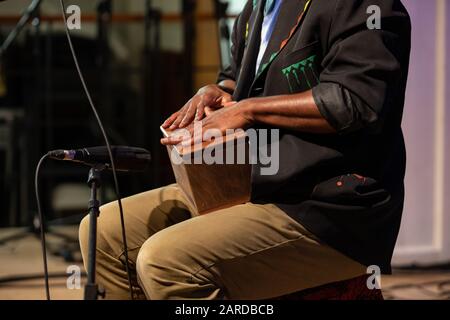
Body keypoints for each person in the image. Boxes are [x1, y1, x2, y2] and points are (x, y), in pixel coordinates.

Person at [79, 0, 411, 300]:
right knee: (105, 232)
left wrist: (247, 110)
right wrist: (217, 91)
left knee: (164, 262)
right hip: (256, 183)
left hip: (329, 206)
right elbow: (237, 78)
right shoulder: (261, 6)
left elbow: (356, 101)